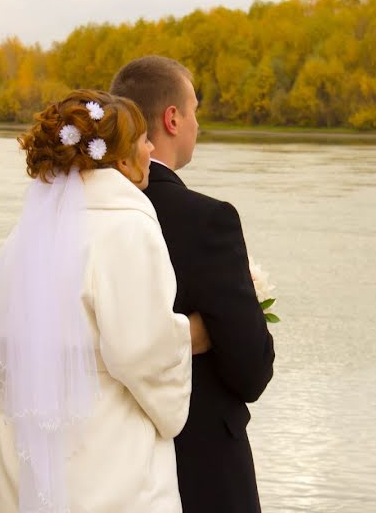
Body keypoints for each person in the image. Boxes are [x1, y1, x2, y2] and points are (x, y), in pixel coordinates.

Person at [0, 89, 197, 512]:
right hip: (108, 460)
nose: (151, 149)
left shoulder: (28, 232)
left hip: (26, 456)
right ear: (122, 160)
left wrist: (36, 398)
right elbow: (144, 350)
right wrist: (188, 338)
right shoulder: (129, 227)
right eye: (143, 140)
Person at [110, 57, 276, 512]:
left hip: (113, 459)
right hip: (201, 465)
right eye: (195, 110)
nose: (198, 123)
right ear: (171, 119)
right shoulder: (208, 221)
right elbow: (251, 371)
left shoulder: (86, 214)